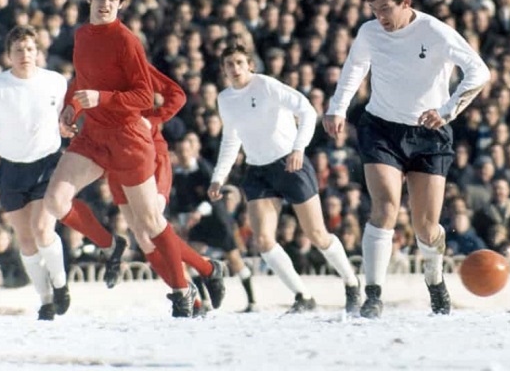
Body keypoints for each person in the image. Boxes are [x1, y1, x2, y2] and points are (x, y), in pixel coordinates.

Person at [324, 0, 490, 318]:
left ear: (406, 3)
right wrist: (337, 107)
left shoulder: (436, 32)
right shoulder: (369, 32)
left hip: (429, 133)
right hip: (381, 128)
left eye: (386, 8)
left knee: (426, 227)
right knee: (385, 207)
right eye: (374, 9)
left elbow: (479, 72)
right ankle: (373, 294)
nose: (380, 17)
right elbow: (354, 68)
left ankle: (434, 278)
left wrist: (447, 111)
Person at [43, 0, 196, 317]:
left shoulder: (126, 40)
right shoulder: (82, 35)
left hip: (128, 139)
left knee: (150, 223)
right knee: (54, 201)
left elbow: (144, 96)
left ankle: (182, 290)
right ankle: (111, 245)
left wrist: (103, 98)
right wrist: (70, 109)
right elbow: (82, 81)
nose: (106, 4)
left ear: (121, 4)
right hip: (93, 135)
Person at [208, 37, 361, 314]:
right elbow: (230, 139)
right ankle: (303, 296)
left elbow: (307, 110)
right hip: (258, 170)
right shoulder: (225, 99)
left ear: (250, 65)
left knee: (317, 234)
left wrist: (298, 148)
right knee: (263, 241)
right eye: (229, 64)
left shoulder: (266, 85)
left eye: (239, 62)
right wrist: (219, 177)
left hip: (290, 164)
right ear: (223, 69)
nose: (235, 68)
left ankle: (352, 282)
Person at [0, 25, 71, 320]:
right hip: (11, 167)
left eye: (30, 49)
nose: (25, 55)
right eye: (19, 50)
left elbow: (67, 114)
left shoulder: (55, 81)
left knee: (42, 229)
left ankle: (60, 284)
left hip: (47, 163)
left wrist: (66, 126)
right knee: (26, 239)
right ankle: (45, 299)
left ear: (38, 52)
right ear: (9, 55)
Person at [98, 64, 226, 315]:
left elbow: (177, 96)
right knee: (143, 238)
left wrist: (151, 120)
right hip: (116, 163)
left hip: (150, 156)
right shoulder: (94, 70)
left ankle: (192, 285)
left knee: (152, 226)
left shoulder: (136, 67)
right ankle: (197, 293)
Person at [187, 184, 258, 312]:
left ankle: (252, 302)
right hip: (205, 229)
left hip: (222, 232)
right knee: (192, 262)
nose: (228, 200)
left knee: (237, 263)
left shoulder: (235, 214)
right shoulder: (216, 205)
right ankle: (205, 301)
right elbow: (207, 205)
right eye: (226, 198)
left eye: (231, 199)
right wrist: (198, 212)